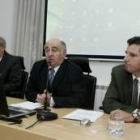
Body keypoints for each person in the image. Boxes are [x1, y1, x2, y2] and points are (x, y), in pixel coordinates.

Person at [25, 38, 86, 108]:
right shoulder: (38, 66)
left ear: (63, 54)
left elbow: (78, 99)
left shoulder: (74, 70)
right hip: (40, 109)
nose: (49, 54)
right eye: (47, 50)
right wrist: (39, 97)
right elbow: (28, 91)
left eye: (54, 50)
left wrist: (51, 100)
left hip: (63, 112)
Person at [103, 36, 140, 123]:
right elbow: (108, 104)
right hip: (124, 128)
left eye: (132, 55)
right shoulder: (118, 73)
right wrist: (136, 113)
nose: (125, 59)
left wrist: (133, 116)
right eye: (126, 53)